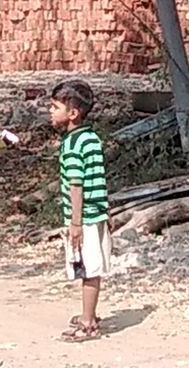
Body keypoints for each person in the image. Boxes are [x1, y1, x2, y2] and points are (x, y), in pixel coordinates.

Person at [49, 79, 111, 343]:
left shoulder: (72, 145)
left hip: (84, 216)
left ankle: (88, 322)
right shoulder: (91, 138)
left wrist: (74, 223)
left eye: (55, 107)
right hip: (98, 213)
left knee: (87, 269)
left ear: (72, 113)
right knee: (91, 267)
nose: (50, 112)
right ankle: (89, 312)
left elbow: (76, 185)